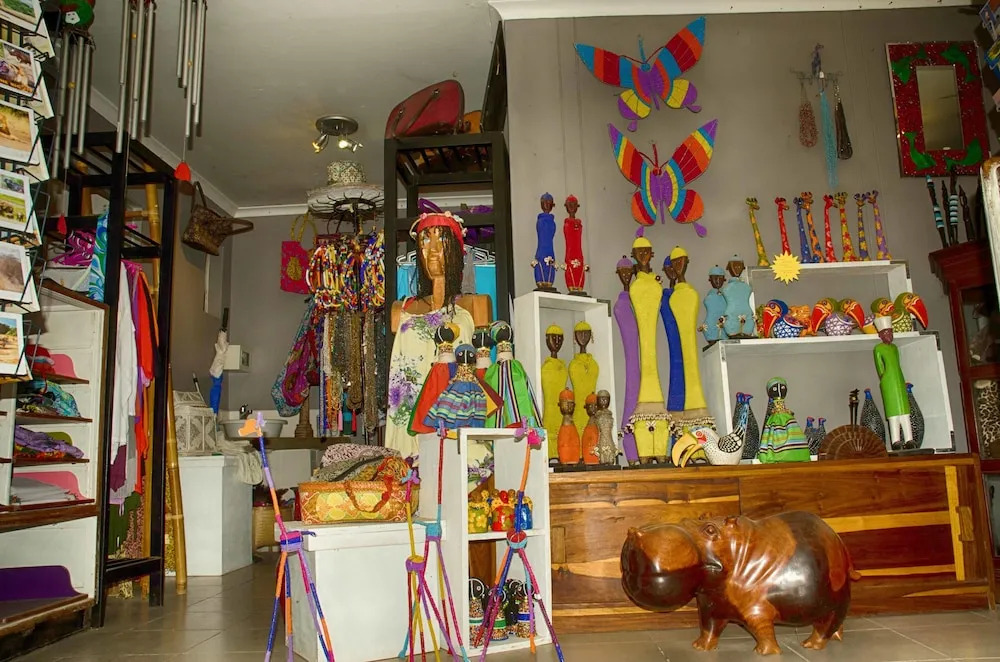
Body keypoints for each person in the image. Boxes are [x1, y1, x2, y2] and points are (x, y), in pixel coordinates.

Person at [873, 316, 913, 449]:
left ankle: (909, 439)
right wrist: (884, 378)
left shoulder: (895, 348)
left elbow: (898, 364)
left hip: (899, 380)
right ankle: (896, 441)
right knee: (893, 414)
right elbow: (880, 367)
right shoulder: (878, 348)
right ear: (880, 335)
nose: (889, 335)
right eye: (885, 333)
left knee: (905, 413)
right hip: (889, 382)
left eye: (890, 332)